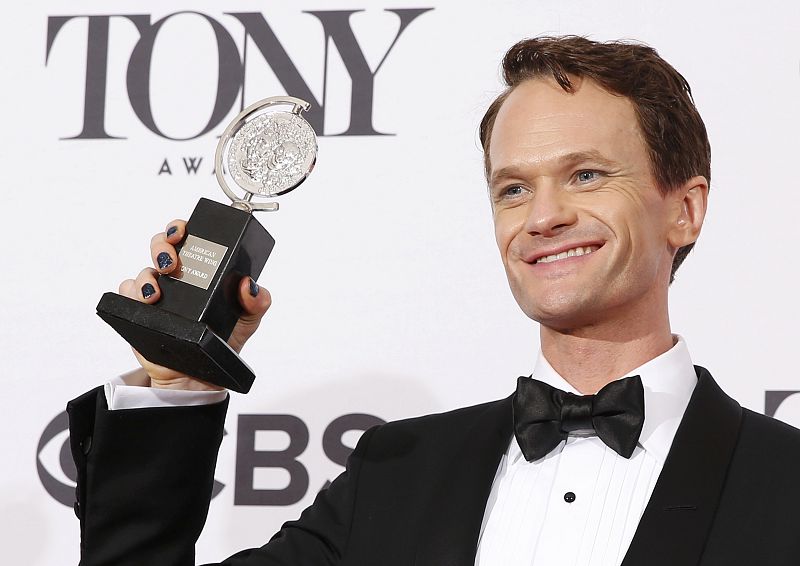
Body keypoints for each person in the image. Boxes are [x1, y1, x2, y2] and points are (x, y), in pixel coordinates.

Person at [68, 36, 800, 566]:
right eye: (513, 188)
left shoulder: (783, 484)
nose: (541, 217)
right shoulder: (397, 473)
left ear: (685, 209)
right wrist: (175, 384)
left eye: (584, 176)